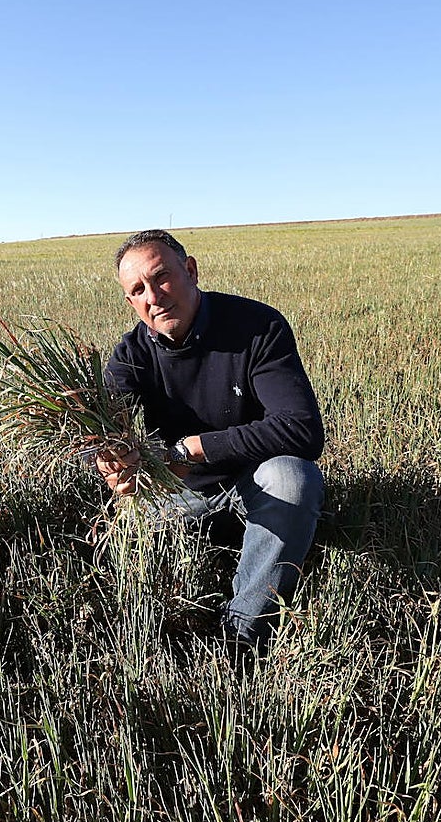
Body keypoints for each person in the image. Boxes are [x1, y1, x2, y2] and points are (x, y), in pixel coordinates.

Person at [96, 229, 325, 650]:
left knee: (293, 479)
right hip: (177, 495)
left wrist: (193, 449)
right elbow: (103, 437)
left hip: (254, 483)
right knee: (125, 536)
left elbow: (302, 428)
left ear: (190, 270)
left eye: (161, 277)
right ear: (130, 303)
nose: (154, 296)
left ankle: (242, 637)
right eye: (138, 290)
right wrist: (112, 464)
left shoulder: (256, 327)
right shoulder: (129, 357)